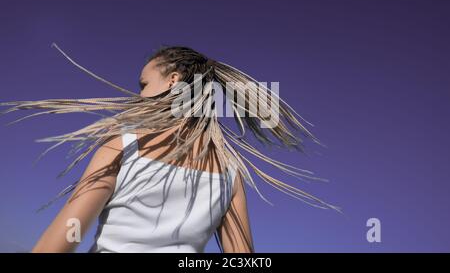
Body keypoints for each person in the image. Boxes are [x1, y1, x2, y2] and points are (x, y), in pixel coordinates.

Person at [0, 44, 340, 253]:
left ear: (174, 80)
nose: (138, 95)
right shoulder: (231, 172)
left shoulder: (123, 142)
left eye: (144, 84)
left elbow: (58, 243)